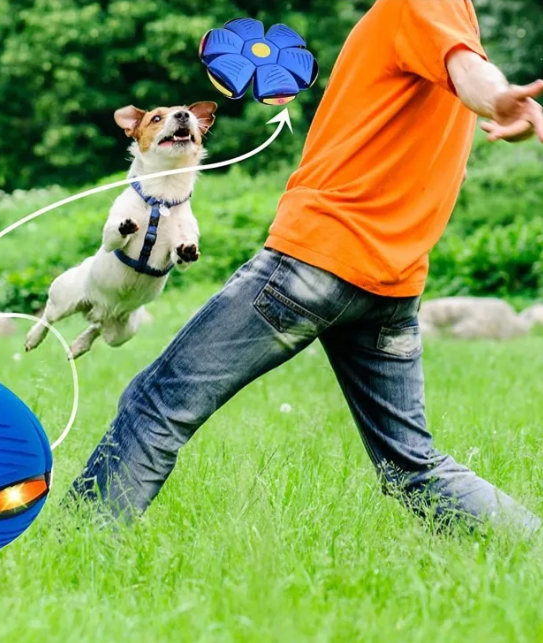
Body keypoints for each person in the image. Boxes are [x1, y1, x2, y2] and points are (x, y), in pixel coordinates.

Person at [68, 0, 543, 533]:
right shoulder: (453, 20)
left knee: (157, 401)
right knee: (412, 467)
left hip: (316, 260)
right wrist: (494, 96)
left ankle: (74, 546)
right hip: (390, 284)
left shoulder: (417, 4)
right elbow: (468, 67)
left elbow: (472, 74)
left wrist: (497, 99)